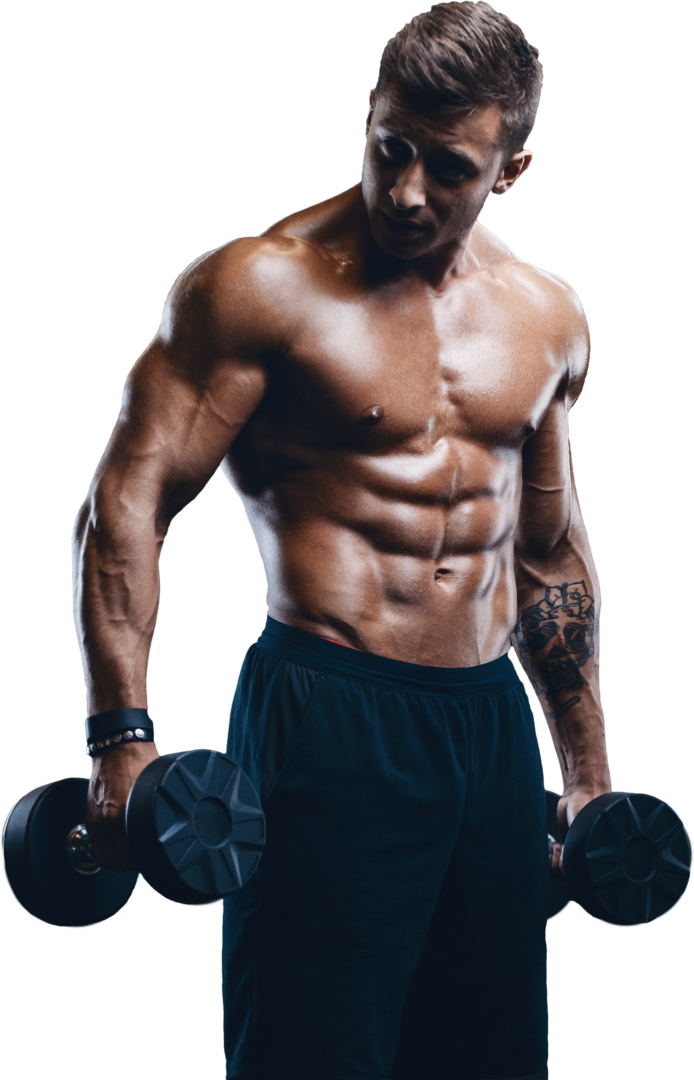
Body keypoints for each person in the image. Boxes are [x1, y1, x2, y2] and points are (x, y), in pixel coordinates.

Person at [71, 3, 612, 1078]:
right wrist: (119, 736)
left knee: (489, 1052)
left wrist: (586, 776)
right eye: (390, 148)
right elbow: (124, 506)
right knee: (312, 1051)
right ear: (369, 111)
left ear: (511, 169)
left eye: (448, 169)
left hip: (489, 725)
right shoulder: (256, 287)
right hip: (328, 707)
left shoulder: (546, 317)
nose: (408, 191)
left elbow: (548, 552)